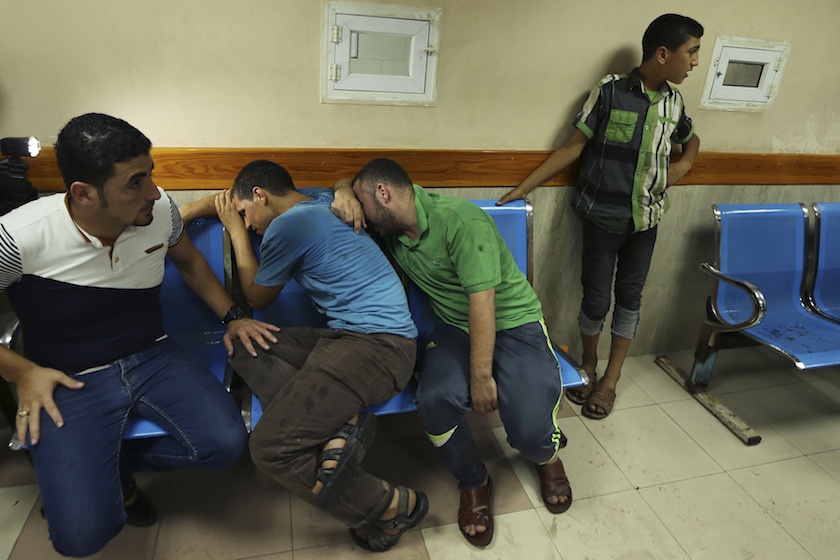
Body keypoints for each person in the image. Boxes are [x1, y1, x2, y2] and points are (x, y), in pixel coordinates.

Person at [0, 113, 278, 557]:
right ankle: (94, 483)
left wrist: (233, 317)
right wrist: (24, 373)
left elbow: (188, 261)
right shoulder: (18, 236)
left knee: (227, 445)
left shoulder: (158, 210)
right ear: (83, 193)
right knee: (81, 537)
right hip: (67, 375)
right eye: (135, 182)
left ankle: (102, 469)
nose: (153, 191)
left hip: (152, 355)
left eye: (151, 174)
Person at [180, 159, 427, 552]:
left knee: (269, 449)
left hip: (380, 349)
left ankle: (391, 505)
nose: (246, 223)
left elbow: (257, 297)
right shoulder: (318, 199)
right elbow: (233, 199)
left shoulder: (286, 227)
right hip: (347, 339)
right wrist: (189, 212)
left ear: (260, 196)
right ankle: (337, 427)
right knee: (244, 344)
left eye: (245, 214)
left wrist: (236, 236)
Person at [331, 158, 572, 547]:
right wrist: (344, 190)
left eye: (363, 202)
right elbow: (347, 185)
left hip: (513, 321)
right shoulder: (391, 225)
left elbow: (484, 303)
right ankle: (474, 479)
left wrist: (480, 378)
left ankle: (547, 457)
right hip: (455, 328)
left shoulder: (460, 221)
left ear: (384, 194)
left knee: (529, 428)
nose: (363, 217)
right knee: (434, 399)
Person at [498, 14, 703, 420]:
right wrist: (523, 188)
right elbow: (573, 147)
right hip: (601, 217)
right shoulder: (608, 92)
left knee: (630, 299)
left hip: (646, 222)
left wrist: (682, 167)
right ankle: (588, 364)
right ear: (663, 54)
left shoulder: (674, 103)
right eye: (691, 52)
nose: (695, 62)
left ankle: (610, 380)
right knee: (595, 298)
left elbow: (690, 139)